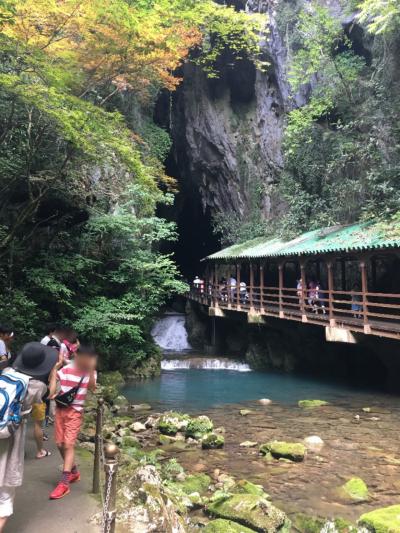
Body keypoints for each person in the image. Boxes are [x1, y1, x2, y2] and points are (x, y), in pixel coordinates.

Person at [0, 342, 58, 530]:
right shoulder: (35, 387)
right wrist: (55, 370)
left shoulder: (6, 372)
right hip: (9, 442)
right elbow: (52, 393)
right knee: (4, 499)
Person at [50, 344, 97, 500]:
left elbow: (92, 387)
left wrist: (90, 369)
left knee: (68, 445)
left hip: (75, 412)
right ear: (76, 355)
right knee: (59, 444)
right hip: (60, 409)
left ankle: (64, 484)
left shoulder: (91, 372)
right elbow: (55, 379)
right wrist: (55, 369)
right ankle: (74, 472)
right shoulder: (67, 368)